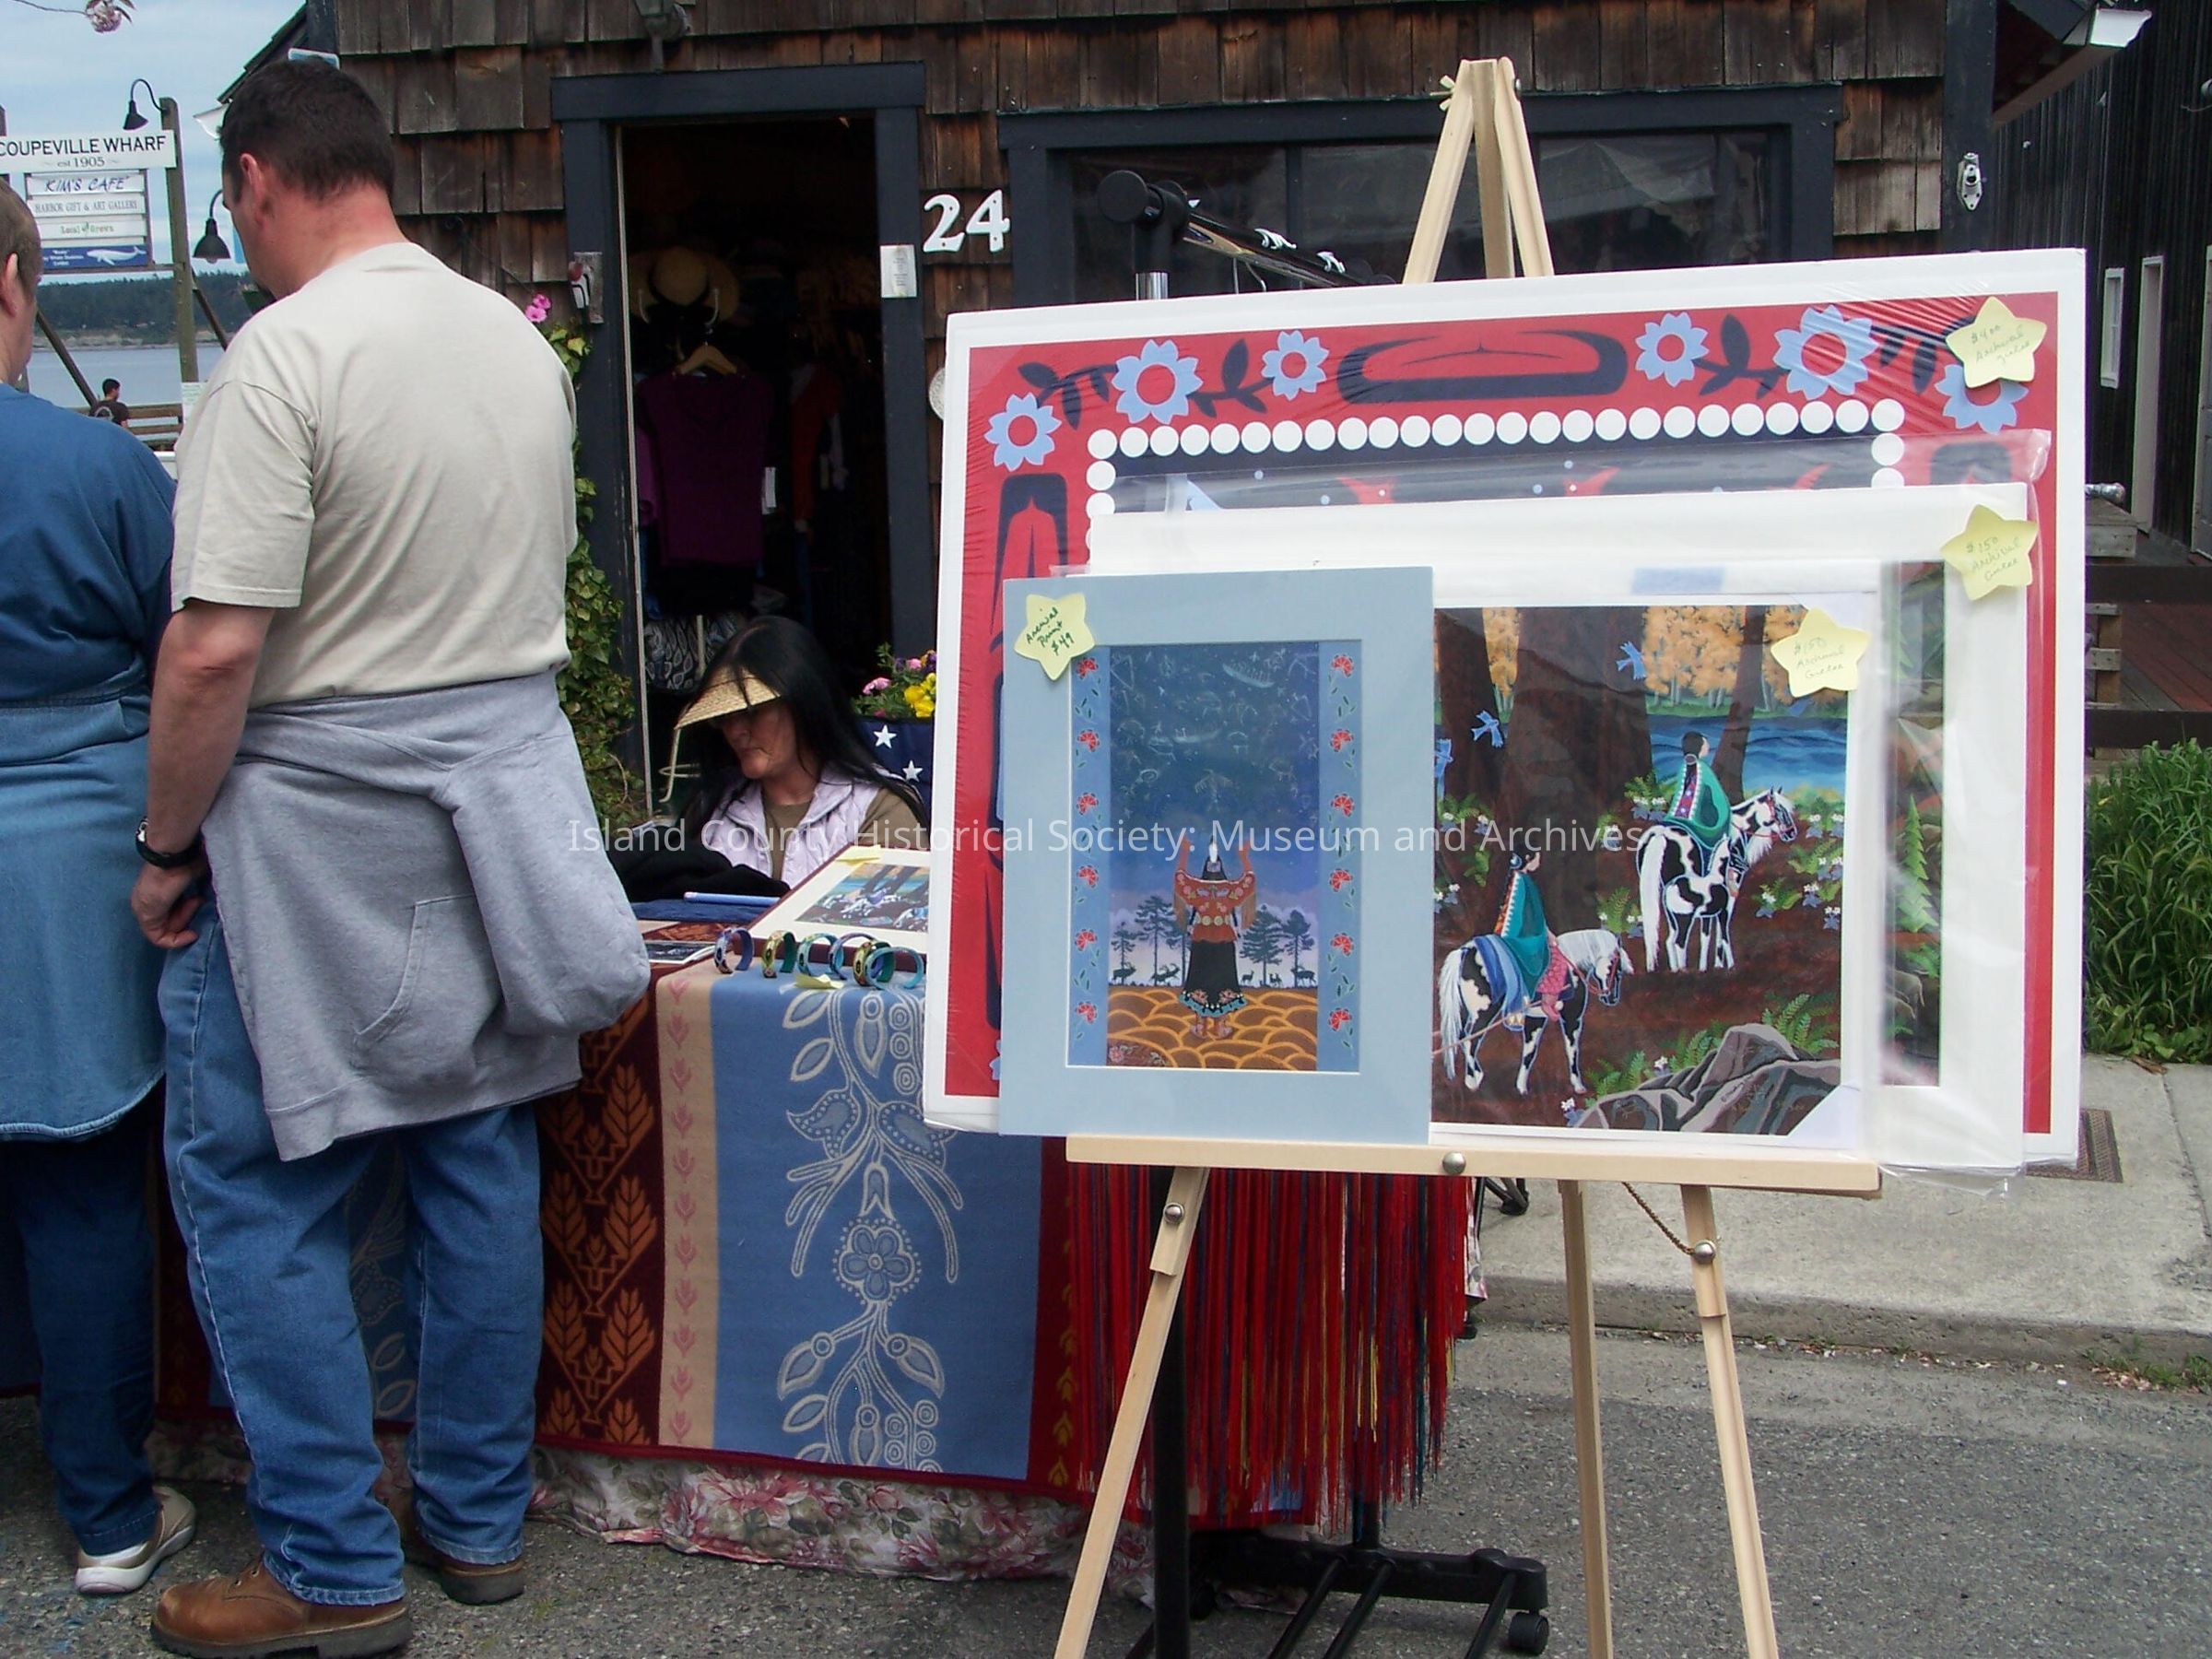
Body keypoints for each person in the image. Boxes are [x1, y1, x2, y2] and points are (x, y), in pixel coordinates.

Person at [130, 62, 647, 1658]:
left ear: (254, 181)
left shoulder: (281, 358)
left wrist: (163, 846)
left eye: (233, 209)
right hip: (496, 809)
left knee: (254, 1185)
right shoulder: (512, 341)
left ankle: (331, 1567)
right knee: (474, 1159)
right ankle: (476, 1525)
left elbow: (214, 650)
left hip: (319, 826)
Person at [0, 184, 199, 1601]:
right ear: (17, 286)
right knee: (77, 1180)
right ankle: (111, 1515)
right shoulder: (99, 467)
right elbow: (193, 650)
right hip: (68, 868)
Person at [677, 616, 924, 889]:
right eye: (724, 717)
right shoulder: (709, 809)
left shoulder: (879, 807)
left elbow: (890, 909)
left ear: (802, 705)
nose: (735, 731)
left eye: (751, 712)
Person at [1172, 834, 1256, 1041]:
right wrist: (1243, 857)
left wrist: (1184, 852)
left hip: (1203, 941)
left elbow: (1180, 878)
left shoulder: (1197, 889)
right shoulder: (1229, 891)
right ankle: (1217, 1027)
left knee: (1204, 979)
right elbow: (1249, 880)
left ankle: (1203, 1026)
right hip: (1222, 942)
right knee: (1220, 980)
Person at [1493, 850, 1570, 1030]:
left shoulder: (1522, 879)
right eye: (1537, 857)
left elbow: (1535, 915)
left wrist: (1546, 932)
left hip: (1523, 931)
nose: (1539, 861)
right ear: (1528, 859)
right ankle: (1546, 1003)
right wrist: (1545, 935)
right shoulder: (1522, 881)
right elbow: (1526, 917)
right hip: (1519, 935)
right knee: (1557, 960)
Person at [1666, 729, 1733, 873]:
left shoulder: (1683, 767)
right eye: (1706, 744)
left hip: (1675, 817)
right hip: (1694, 823)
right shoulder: (1703, 769)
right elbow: (1718, 798)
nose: (1708, 747)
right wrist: (1725, 814)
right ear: (1699, 747)